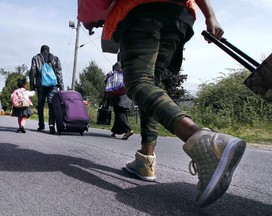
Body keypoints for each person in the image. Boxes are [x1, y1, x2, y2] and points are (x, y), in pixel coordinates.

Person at [81, 0, 246, 208]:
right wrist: (210, 15)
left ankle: (204, 141)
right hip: (178, 14)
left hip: (141, 10)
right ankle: (145, 160)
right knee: (152, 83)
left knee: (138, 82)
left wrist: (90, 16)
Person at [29, 45, 64, 134]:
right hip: (53, 85)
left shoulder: (35, 58)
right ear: (48, 50)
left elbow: (33, 71)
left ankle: (41, 125)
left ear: (41, 50)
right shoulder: (55, 59)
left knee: (40, 105)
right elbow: (59, 72)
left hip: (40, 84)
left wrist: (32, 85)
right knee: (52, 104)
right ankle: (51, 125)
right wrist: (61, 85)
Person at [106, 62, 134, 140]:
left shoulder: (116, 75)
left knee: (119, 113)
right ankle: (115, 131)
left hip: (119, 98)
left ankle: (128, 130)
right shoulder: (128, 75)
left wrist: (108, 76)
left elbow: (109, 86)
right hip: (128, 97)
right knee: (121, 113)